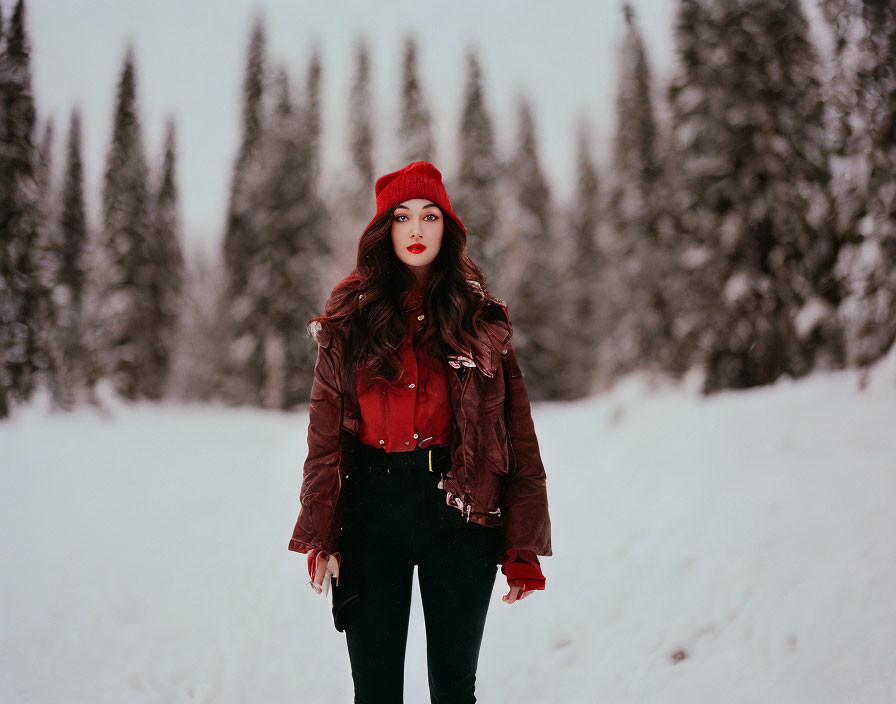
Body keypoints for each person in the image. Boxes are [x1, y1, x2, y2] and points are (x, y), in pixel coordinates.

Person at [288, 160, 552, 703]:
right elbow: (324, 442)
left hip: (459, 519)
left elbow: (517, 437)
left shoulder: (480, 321)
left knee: (455, 692)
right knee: (376, 692)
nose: (414, 230)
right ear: (383, 231)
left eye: (429, 216)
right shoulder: (349, 323)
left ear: (446, 228)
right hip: (370, 518)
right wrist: (320, 533)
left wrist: (521, 544)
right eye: (401, 217)